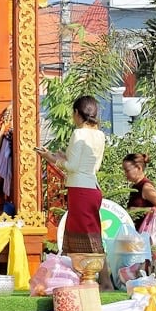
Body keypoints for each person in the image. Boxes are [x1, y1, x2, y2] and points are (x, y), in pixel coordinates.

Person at [37, 95, 108, 287]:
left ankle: (92, 278)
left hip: (80, 190)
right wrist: (59, 156)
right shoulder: (100, 135)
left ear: (77, 113)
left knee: (85, 236)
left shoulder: (79, 134)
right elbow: (90, 165)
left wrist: (50, 158)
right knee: (90, 233)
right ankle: (90, 277)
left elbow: (73, 166)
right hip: (92, 188)